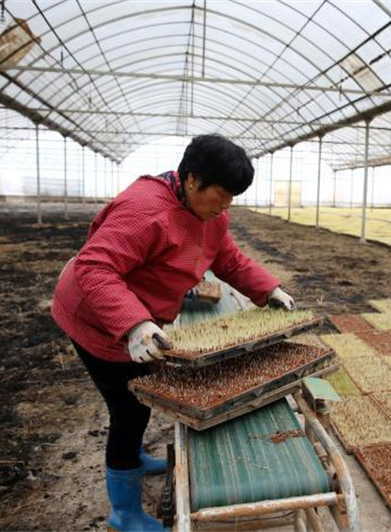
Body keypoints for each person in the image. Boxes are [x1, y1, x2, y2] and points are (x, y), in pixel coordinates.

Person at [51, 134, 296, 532]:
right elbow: (94, 267)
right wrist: (134, 324)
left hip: (137, 312)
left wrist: (269, 289)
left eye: (233, 197)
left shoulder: (211, 216)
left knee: (140, 399)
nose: (226, 206)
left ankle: (134, 458)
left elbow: (228, 258)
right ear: (192, 180)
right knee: (127, 409)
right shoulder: (145, 209)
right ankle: (124, 512)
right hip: (96, 317)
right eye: (221, 194)